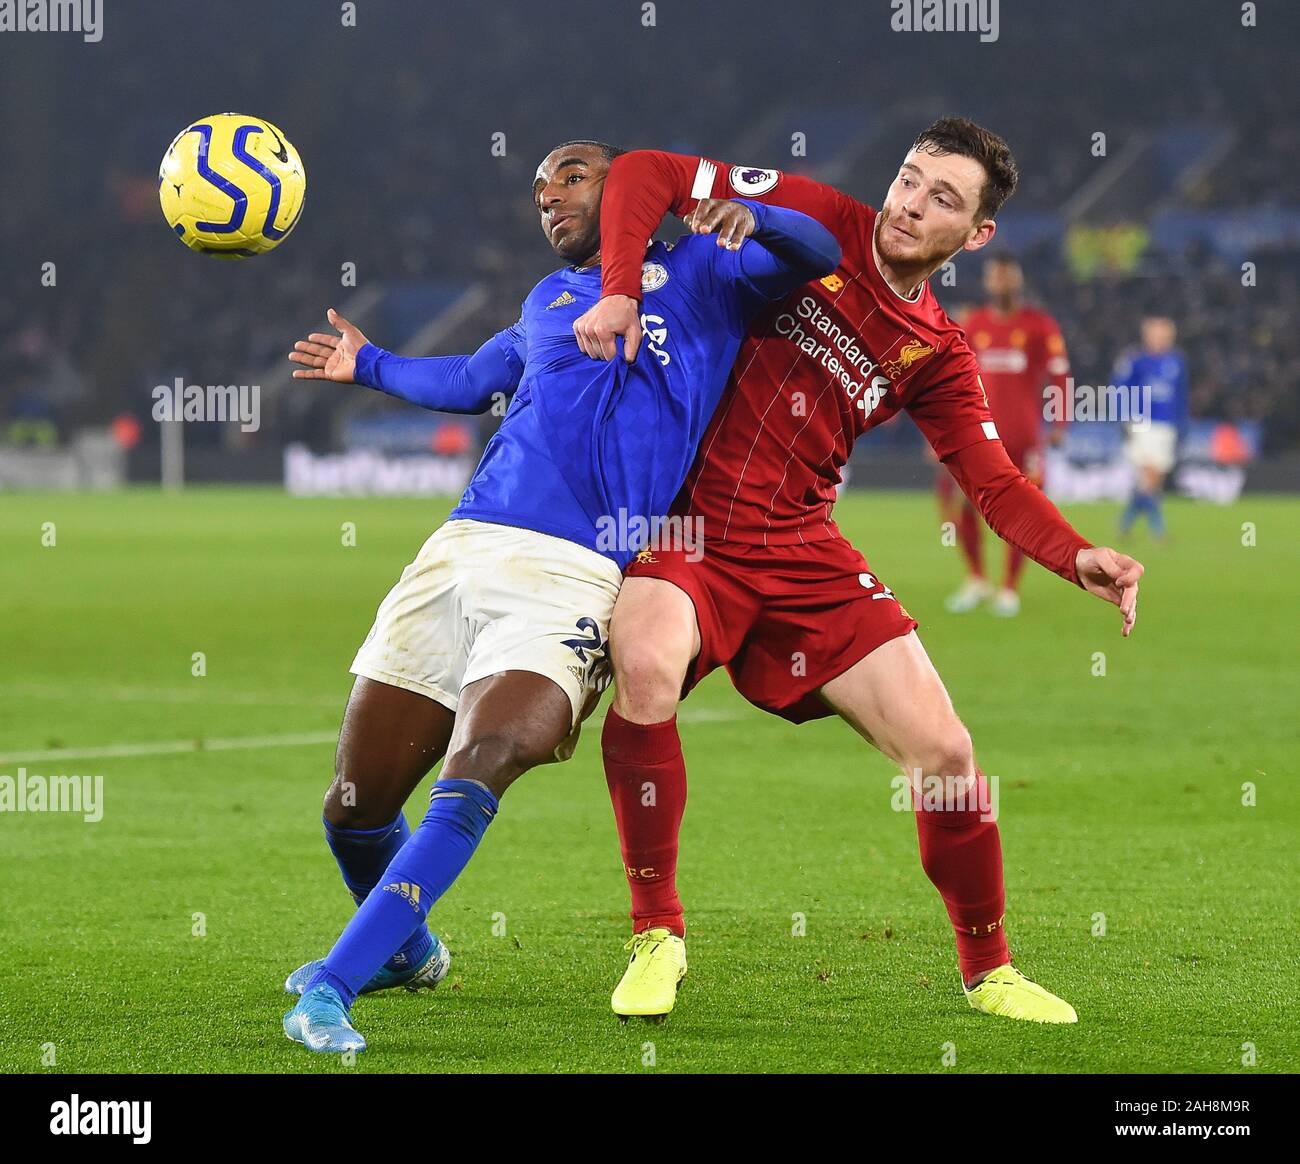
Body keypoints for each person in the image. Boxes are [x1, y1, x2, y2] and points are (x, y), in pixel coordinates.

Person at [570, 118, 1144, 1024]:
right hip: (689, 529)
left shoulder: (940, 352)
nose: (911, 203)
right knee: (644, 668)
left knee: (949, 753)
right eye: (911, 178)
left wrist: (1079, 555)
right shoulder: (817, 215)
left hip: (805, 551)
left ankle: (989, 968)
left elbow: (991, 481)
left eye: (943, 198)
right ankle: (656, 932)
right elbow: (644, 168)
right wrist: (618, 291)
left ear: (978, 234)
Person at [277, 139, 840, 1053]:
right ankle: (407, 952)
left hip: (579, 571)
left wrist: (758, 213)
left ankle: (332, 987)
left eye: (571, 177)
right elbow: (470, 381)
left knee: (485, 758)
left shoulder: (707, 268)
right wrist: (371, 364)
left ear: (626, 188)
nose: (549, 199)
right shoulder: (546, 301)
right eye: (538, 190)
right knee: (353, 806)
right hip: (459, 552)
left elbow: (823, 251)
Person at [941, 255, 1072, 617]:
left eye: (1007, 277)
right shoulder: (975, 324)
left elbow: (1060, 375)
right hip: (977, 434)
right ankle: (977, 578)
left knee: (1022, 510)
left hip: (1024, 437)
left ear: (1018, 281)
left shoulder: (1039, 325)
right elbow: (952, 378)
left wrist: (1060, 423)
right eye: (995, 277)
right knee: (965, 503)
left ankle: (1009, 588)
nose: (1001, 283)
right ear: (987, 282)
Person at [1116, 316, 1188, 538]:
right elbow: (1119, 388)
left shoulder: (1176, 361)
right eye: (1156, 335)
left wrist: (1182, 423)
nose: (1160, 339)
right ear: (1146, 336)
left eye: (1164, 335)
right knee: (1150, 477)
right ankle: (1158, 529)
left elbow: (1181, 396)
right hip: (1142, 424)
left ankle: (1125, 523)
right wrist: (1123, 418)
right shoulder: (1135, 360)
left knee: (1153, 481)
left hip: (1166, 426)